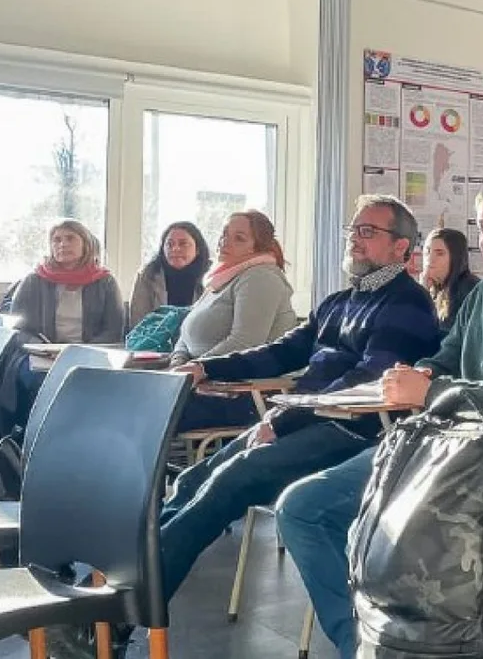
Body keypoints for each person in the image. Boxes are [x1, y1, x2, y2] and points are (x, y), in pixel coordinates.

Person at [275, 176, 483, 659]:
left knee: (325, 513)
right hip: (445, 444)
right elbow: (446, 358)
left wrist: (432, 390)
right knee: (300, 507)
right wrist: (423, 372)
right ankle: (361, 643)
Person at [145, 197, 438, 622]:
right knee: (193, 477)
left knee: (232, 477)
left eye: (368, 232)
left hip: (357, 432)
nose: (355, 240)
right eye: (353, 230)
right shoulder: (339, 301)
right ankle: (132, 587)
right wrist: (205, 366)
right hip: (303, 419)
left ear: (402, 248)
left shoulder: (408, 305)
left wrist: (282, 420)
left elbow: (367, 382)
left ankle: (125, 617)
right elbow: (280, 353)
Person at [170, 210, 299, 432]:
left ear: (257, 247)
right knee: (132, 401)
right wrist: (178, 364)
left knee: (143, 409)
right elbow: (185, 332)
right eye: (224, 234)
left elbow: (245, 342)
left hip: (241, 393)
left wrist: (198, 369)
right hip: (200, 384)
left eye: (239, 238)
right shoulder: (222, 278)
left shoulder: (261, 276)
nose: (225, 242)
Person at [10, 219, 124, 344]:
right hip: (41, 354)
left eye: (70, 238)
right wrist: (40, 347)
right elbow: (18, 329)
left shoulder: (105, 282)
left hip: (91, 353)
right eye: (57, 240)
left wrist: (83, 352)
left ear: (85, 244)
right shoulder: (33, 281)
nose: (63, 244)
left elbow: (114, 331)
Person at [130, 221, 210, 327]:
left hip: (199, 341)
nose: (175, 249)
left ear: (198, 249)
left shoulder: (212, 276)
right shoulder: (148, 275)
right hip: (155, 340)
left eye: (183, 244)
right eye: (169, 244)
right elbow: (139, 323)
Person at [419, 227, 480, 333]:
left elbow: (442, 338)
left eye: (440, 253)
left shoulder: (469, 290)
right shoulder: (438, 288)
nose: (430, 259)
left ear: (455, 258)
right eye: (427, 252)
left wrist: (422, 295)